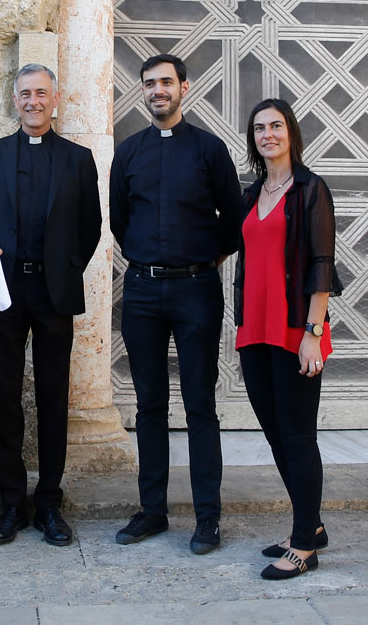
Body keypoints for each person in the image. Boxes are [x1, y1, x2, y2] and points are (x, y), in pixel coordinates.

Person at [0, 64, 102, 546]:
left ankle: (48, 502)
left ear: (55, 99)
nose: (33, 101)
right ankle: (11, 503)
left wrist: (62, 269)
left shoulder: (78, 159)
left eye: (41, 93)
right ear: (15, 99)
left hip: (53, 295)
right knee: (3, 397)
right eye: (25, 93)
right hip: (2, 296)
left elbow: (90, 228)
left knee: (52, 399)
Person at [110, 54, 241, 554]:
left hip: (196, 291)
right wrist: (149, 261)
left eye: (166, 82)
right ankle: (152, 511)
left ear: (184, 87)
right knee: (148, 405)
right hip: (143, 291)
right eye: (149, 84)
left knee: (200, 406)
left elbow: (233, 221)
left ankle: (207, 517)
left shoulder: (210, 149)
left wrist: (199, 261)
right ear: (142, 91)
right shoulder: (129, 152)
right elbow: (120, 220)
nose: (158, 90)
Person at [234, 98, 343, 580]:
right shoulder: (253, 191)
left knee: (298, 436)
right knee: (276, 433)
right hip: (253, 330)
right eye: (259, 128)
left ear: (290, 133)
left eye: (276, 126)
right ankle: (311, 524)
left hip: (295, 330)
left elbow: (322, 265)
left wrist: (313, 334)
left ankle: (304, 546)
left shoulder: (310, 190)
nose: (268, 134)